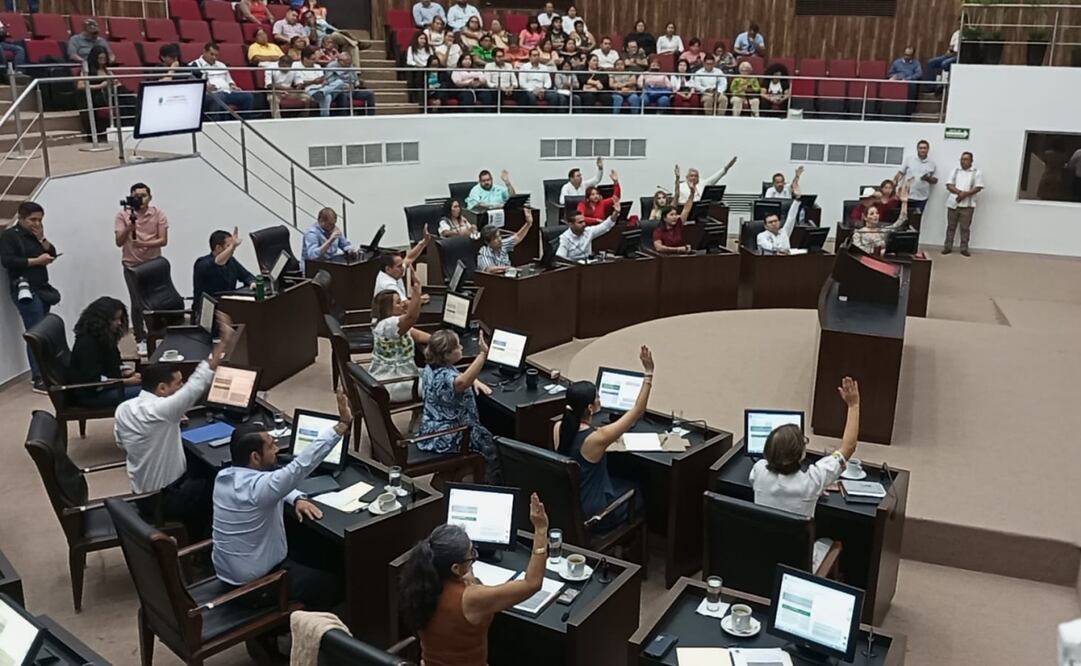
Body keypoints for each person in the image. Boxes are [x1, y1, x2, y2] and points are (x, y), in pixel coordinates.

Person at [212, 389, 352, 611]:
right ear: (255, 457)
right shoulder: (262, 488)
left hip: (231, 573)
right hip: (256, 586)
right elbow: (301, 465)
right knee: (337, 585)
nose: (277, 449)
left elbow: (270, 485)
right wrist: (341, 426)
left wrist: (296, 497)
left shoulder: (223, 478)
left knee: (310, 545)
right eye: (271, 446)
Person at [114, 312, 238, 538]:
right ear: (162, 389)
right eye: (178, 384)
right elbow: (197, 383)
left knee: (199, 464)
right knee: (224, 482)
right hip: (166, 499)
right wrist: (224, 343)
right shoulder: (162, 411)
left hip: (141, 494)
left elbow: (122, 442)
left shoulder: (124, 408)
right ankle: (206, 543)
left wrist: (165, 426)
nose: (181, 387)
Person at [401, 494, 550, 666]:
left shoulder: (420, 583)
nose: (473, 558)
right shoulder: (471, 598)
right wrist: (540, 530)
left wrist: (467, 576)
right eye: (471, 555)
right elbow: (532, 584)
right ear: (455, 568)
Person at [554, 346, 653, 529]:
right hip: (594, 514)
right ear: (590, 408)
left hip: (568, 505)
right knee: (637, 490)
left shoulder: (558, 427)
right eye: (597, 397)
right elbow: (638, 410)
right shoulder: (598, 438)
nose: (600, 399)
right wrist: (649, 373)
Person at [751, 377, 860, 518]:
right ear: (801, 454)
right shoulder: (813, 481)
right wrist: (853, 405)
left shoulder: (759, 469)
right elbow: (848, 448)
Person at [418, 329, 499, 481]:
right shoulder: (446, 377)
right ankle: (487, 483)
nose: (461, 348)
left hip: (431, 430)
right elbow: (461, 382)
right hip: (450, 435)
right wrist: (482, 354)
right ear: (446, 354)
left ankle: (451, 477)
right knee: (493, 446)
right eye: (457, 347)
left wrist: (474, 380)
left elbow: (458, 378)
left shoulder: (431, 368)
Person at [0, 202, 59, 392]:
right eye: (32, 220)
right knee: (35, 333)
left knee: (45, 331)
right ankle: (39, 377)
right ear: (21, 218)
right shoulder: (10, 236)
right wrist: (37, 261)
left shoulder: (36, 235)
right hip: (25, 288)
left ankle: (48, 372)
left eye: (40, 220)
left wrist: (42, 239)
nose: (37, 223)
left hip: (42, 288)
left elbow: (51, 252)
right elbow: (9, 261)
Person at [115, 182, 168, 354]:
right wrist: (129, 227)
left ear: (150, 197)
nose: (140, 199)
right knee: (137, 303)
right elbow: (119, 242)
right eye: (136, 196)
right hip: (132, 265)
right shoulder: (123, 215)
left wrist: (143, 244)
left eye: (143, 196)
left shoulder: (158, 214)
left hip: (154, 264)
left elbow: (163, 240)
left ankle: (158, 333)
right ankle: (140, 337)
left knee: (158, 300)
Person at [69, 297, 142, 408]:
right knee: (151, 393)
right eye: (115, 319)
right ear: (102, 321)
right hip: (93, 395)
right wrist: (127, 382)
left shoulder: (104, 337)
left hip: (108, 388)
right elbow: (94, 381)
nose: (119, 323)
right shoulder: (87, 344)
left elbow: (112, 363)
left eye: (120, 319)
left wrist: (127, 372)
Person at [371, 278, 430, 403]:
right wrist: (417, 290)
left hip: (404, 375)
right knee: (443, 385)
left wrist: (445, 339)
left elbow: (418, 336)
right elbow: (412, 316)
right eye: (398, 303)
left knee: (438, 374)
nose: (403, 304)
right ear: (387, 309)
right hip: (394, 383)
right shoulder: (388, 325)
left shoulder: (390, 324)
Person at [192, 228, 256, 307]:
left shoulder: (231, 261)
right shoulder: (202, 264)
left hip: (229, 306)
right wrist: (232, 246)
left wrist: (252, 282)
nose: (233, 249)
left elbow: (247, 276)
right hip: (207, 309)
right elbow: (217, 262)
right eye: (228, 246)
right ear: (218, 248)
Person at [193, 42, 255, 119]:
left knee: (248, 96)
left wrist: (233, 86)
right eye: (212, 54)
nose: (214, 57)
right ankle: (216, 122)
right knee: (219, 97)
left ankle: (243, 121)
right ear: (204, 52)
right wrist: (206, 88)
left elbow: (229, 80)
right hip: (210, 95)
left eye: (216, 55)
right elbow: (194, 86)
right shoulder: (195, 65)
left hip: (227, 92)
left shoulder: (221, 65)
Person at [943, 151, 984, 257]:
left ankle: (964, 249)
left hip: (968, 206)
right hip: (954, 203)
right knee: (951, 227)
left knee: (965, 228)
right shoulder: (955, 171)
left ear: (971, 161)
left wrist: (965, 194)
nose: (963, 161)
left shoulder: (976, 172)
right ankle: (948, 247)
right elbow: (949, 185)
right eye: (962, 159)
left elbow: (978, 187)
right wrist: (959, 193)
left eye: (966, 159)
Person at [851, 182, 910, 254]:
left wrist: (904, 202)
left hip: (882, 259)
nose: (875, 215)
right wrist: (878, 251)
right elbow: (858, 250)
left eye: (877, 213)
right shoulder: (858, 233)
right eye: (872, 214)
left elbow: (900, 222)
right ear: (865, 217)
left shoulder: (882, 231)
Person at [75, 46, 114, 143]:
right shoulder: (87, 70)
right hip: (91, 95)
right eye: (100, 58)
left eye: (104, 58)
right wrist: (100, 86)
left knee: (126, 98)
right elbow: (80, 86)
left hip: (106, 95)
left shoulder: (107, 70)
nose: (102, 61)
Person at [374, 231, 430, 299]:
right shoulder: (388, 285)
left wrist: (423, 242)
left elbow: (409, 258)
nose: (403, 268)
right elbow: (405, 304)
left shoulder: (392, 272)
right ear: (388, 269)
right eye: (399, 266)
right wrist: (418, 291)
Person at [477, 208, 534, 273]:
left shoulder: (503, 244)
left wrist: (528, 223)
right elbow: (489, 269)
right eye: (495, 238)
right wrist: (507, 268)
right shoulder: (484, 252)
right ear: (487, 242)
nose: (499, 239)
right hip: (493, 278)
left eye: (499, 236)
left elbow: (517, 237)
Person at [756, 180, 803, 254]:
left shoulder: (784, 232)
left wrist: (797, 199)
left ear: (779, 222)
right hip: (770, 259)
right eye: (770, 222)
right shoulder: (761, 236)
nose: (774, 223)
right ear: (765, 226)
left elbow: (791, 217)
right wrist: (781, 250)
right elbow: (770, 247)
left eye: (776, 221)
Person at [894, 139, 937, 213]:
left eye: (924, 148)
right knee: (903, 217)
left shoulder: (932, 163)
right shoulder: (909, 159)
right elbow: (900, 173)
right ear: (917, 149)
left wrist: (927, 178)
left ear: (928, 149)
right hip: (906, 196)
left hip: (922, 198)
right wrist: (893, 185)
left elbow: (935, 180)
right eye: (921, 148)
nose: (922, 150)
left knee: (916, 218)